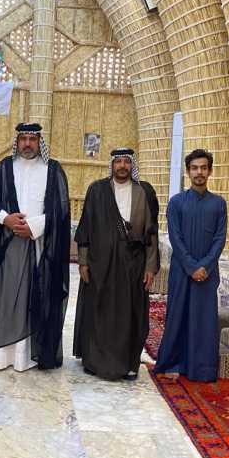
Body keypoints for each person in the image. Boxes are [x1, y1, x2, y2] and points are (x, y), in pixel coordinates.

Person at [0, 122, 71, 371]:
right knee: (5, 296)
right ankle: (3, 354)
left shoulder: (53, 169)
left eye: (32, 139)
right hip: (8, 245)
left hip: (41, 245)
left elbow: (61, 209)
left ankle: (29, 355)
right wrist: (5, 219)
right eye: (23, 139)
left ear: (39, 142)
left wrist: (35, 226)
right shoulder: (4, 167)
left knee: (38, 295)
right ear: (17, 142)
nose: (27, 143)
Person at [73, 148, 160, 380]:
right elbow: (86, 228)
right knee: (100, 310)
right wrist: (83, 261)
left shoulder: (145, 191)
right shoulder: (97, 190)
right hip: (101, 263)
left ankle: (128, 363)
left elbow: (152, 232)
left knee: (131, 313)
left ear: (132, 165)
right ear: (112, 165)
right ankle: (96, 361)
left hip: (134, 263)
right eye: (118, 161)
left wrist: (150, 267)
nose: (122, 166)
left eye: (126, 162)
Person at [154, 148, 227, 382]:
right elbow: (175, 238)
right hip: (182, 272)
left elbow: (220, 239)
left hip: (207, 274)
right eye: (194, 168)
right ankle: (173, 363)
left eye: (203, 168)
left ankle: (202, 369)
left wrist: (204, 266)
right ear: (188, 171)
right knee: (178, 316)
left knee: (204, 321)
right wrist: (191, 267)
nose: (199, 172)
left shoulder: (219, 204)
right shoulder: (176, 203)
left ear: (210, 171)